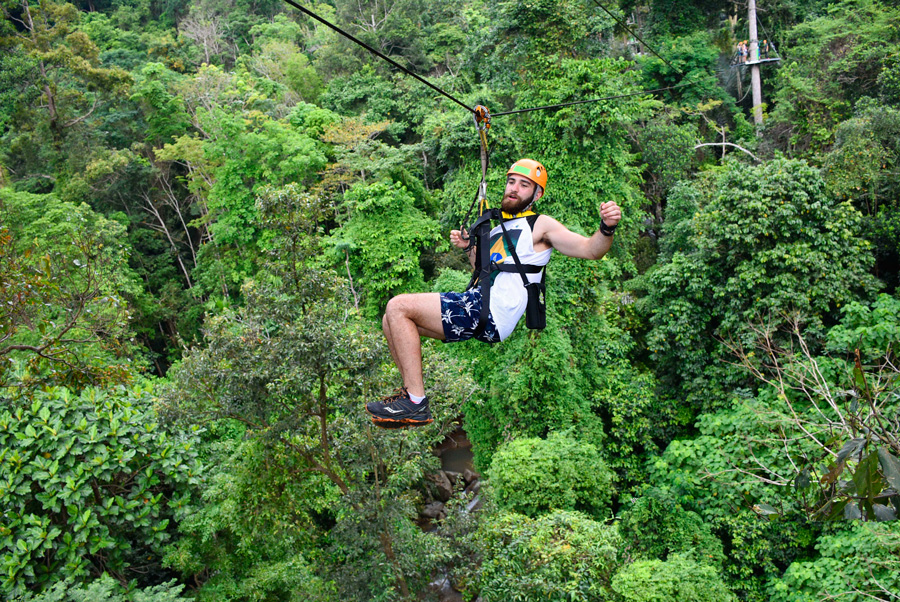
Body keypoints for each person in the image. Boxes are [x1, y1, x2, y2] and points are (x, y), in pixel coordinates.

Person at [365, 159, 623, 427]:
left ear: (537, 195)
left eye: (524, 185)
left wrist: (606, 227)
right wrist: (469, 247)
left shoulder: (541, 225)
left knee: (398, 306)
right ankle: (410, 397)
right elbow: (482, 271)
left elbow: (591, 249)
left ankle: (416, 401)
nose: (514, 189)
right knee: (390, 320)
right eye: (511, 182)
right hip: (480, 303)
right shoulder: (498, 226)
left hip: (491, 310)